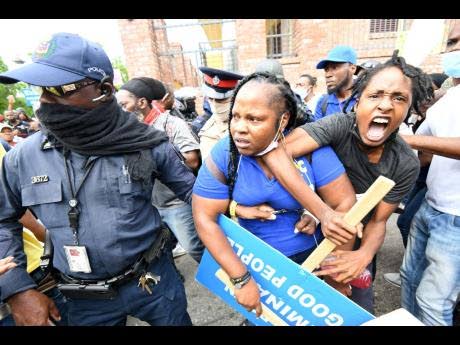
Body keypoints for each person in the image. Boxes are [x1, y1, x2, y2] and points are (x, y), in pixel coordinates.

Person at [0, 32, 195, 326]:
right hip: (83, 300)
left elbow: (199, 196)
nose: (43, 100)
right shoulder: (20, 158)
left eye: (57, 89)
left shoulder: (146, 143)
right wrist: (18, 290)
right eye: (39, 88)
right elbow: (3, 220)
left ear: (103, 89)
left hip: (152, 281)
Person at [259, 51, 434, 313]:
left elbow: (378, 221)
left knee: (353, 305)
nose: (385, 105)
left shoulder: (405, 162)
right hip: (313, 236)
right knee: (303, 306)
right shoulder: (338, 126)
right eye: (375, 96)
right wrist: (318, 212)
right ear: (357, 103)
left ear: (409, 110)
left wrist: (362, 257)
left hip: (358, 241)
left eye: (399, 98)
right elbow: (277, 151)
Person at [192, 72, 360, 316]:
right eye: (236, 116)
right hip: (255, 264)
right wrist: (240, 278)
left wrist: (336, 271)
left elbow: (345, 203)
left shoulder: (311, 151)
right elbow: (204, 217)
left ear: (282, 121)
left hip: (312, 261)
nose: (239, 128)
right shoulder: (226, 153)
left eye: (254, 119)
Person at [398, 20, 460, 326]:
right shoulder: (448, 98)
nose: (456, 49)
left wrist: (406, 139)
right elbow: (423, 156)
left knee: (434, 302)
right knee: (409, 279)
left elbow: (418, 142)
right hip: (432, 205)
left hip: (457, 220)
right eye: (452, 42)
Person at [117, 77, 204, 263]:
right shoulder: (127, 133)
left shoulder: (171, 124)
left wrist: (159, 161)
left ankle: (222, 279)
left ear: (141, 103)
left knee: (194, 247)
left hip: (177, 204)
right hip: (149, 206)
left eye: (124, 104)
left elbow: (193, 160)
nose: (120, 109)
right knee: (161, 252)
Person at [198, 67, 243, 159]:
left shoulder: (250, 119)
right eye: (210, 99)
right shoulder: (208, 133)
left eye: (221, 100)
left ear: (235, 96)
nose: (215, 104)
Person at [314, 45, 359, 121]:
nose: (328, 75)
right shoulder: (323, 102)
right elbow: (316, 132)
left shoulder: (364, 98)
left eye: (334, 68)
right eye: (326, 70)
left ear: (352, 68)